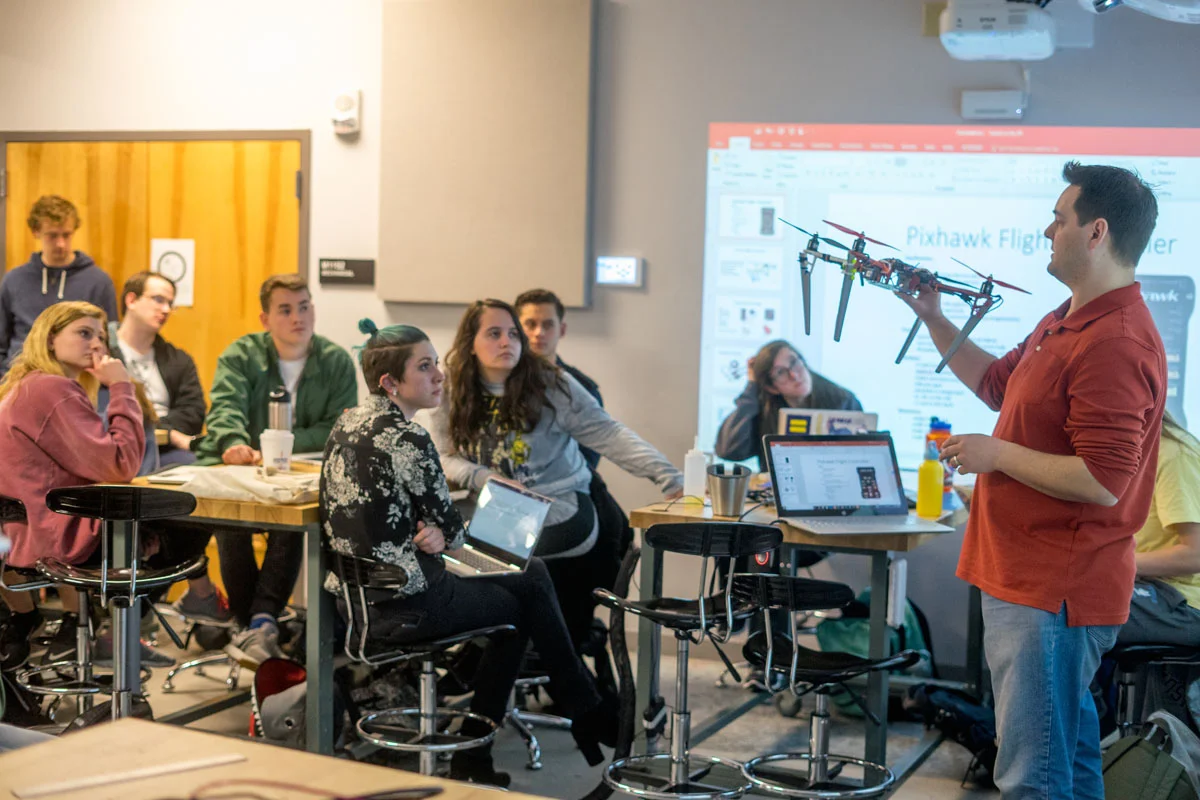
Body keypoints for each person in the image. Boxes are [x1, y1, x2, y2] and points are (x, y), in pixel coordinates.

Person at [901, 161, 1165, 799]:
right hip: (1025, 577)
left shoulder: (1116, 341)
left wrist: (997, 455)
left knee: (1030, 778)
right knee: (1067, 764)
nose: (1047, 230)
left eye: (1058, 218)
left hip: (1054, 592)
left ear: (1095, 232)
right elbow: (997, 384)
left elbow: (1103, 480)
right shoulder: (1066, 317)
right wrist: (932, 314)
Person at [321, 319, 616, 785]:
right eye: (424, 367)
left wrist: (430, 530)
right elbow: (454, 533)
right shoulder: (410, 437)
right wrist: (438, 532)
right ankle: (571, 710)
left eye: (436, 362)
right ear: (390, 383)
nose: (439, 375)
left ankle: (573, 706)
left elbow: (401, 513)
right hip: (412, 601)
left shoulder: (347, 422)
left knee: (529, 573)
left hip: (358, 599)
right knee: (522, 601)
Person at [420, 299, 683, 649]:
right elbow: (444, 456)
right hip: (493, 507)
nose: (507, 342)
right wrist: (484, 477)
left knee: (494, 568)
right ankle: (500, 665)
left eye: (513, 334)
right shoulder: (452, 385)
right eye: (494, 333)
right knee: (454, 563)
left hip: (556, 504)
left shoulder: (549, 381)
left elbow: (609, 433)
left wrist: (670, 478)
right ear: (470, 342)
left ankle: (527, 667)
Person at [0, 302, 220, 668]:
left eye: (101, 337)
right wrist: (121, 386)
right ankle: (129, 628)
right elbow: (121, 463)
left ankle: (101, 630)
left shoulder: (21, 386)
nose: (97, 346)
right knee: (196, 516)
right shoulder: (53, 390)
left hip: (23, 538)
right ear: (51, 338)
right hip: (64, 540)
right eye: (83, 333)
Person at [194, 274, 357, 666]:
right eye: (285, 309)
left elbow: (337, 425)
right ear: (265, 318)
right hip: (244, 467)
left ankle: (256, 622)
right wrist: (234, 441)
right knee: (230, 520)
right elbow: (225, 406)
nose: (298, 317)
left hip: (304, 471)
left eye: (304, 306)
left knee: (288, 521)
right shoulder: (241, 354)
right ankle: (258, 624)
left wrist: (276, 444)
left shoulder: (335, 360)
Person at [0, 196, 118, 375]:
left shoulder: (98, 281)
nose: (60, 244)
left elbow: (110, 342)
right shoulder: (14, 280)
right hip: (21, 377)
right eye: (52, 236)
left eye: (66, 235)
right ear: (36, 232)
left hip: (77, 379)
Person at [715, 339, 862, 471]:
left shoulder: (843, 400)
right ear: (771, 387)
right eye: (780, 372)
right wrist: (752, 386)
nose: (794, 375)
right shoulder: (765, 408)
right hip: (778, 496)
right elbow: (728, 450)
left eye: (794, 362)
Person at [111, 271, 206, 467]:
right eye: (158, 300)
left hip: (166, 451)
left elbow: (193, 413)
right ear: (131, 300)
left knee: (198, 467)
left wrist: (163, 432)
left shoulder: (179, 359)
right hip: (114, 448)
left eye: (170, 303)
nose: (166, 309)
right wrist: (169, 433)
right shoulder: (101, 351)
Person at [514, 288, 603, 468]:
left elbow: (588, 459)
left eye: (548, 325)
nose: (539, 332)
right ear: (515, 329)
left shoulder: (583, 388)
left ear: (561, 330)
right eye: (530, 324)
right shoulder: (497, 380)